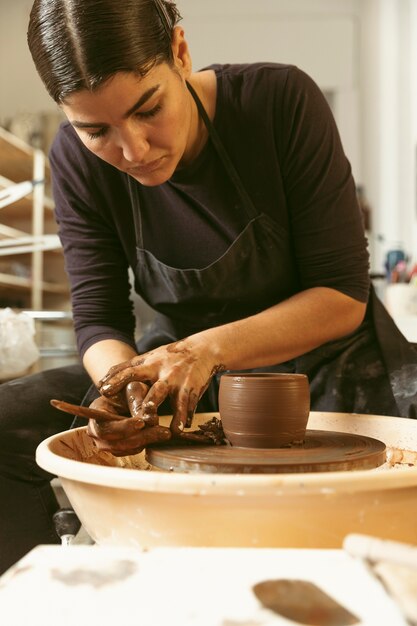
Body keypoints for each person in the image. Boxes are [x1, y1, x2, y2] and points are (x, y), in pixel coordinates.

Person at [0, 0, 416, 575]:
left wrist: (203, 351)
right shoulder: (75, 161)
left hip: (327, 356)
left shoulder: (279, 101)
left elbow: (342, 292)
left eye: (149, 109)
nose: (134, 150)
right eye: (96, 130)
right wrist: (122, 390)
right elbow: (98, 317)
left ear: (180, 52)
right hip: (180, 376)